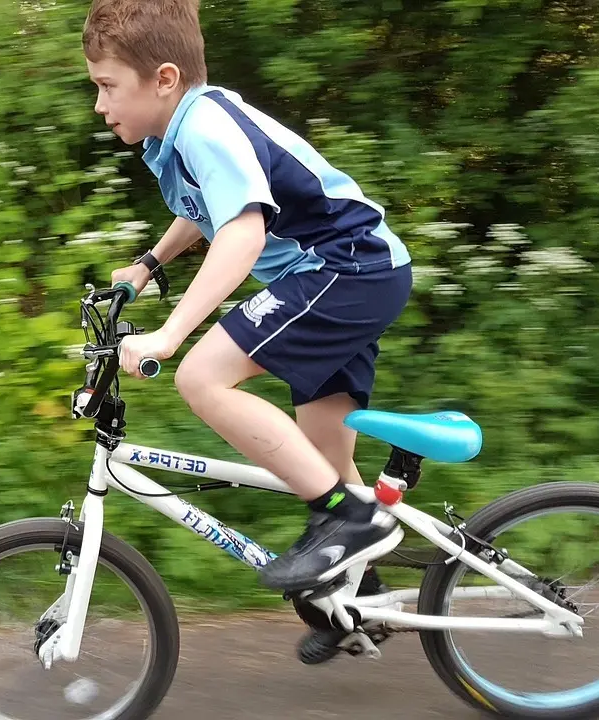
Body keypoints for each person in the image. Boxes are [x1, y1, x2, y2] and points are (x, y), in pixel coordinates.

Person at [82, 0, 413, 654]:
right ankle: (359, 599)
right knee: (323, 456)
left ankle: (349, 520)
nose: (99, 104)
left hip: (347, 270)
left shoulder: (204, 127)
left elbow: (242, 227)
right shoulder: (176, 132)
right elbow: (207, 208)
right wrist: (148, 265)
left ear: (165, 78)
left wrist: (171, 336)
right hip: (355, 272)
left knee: (203, 377)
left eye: (106, 86)